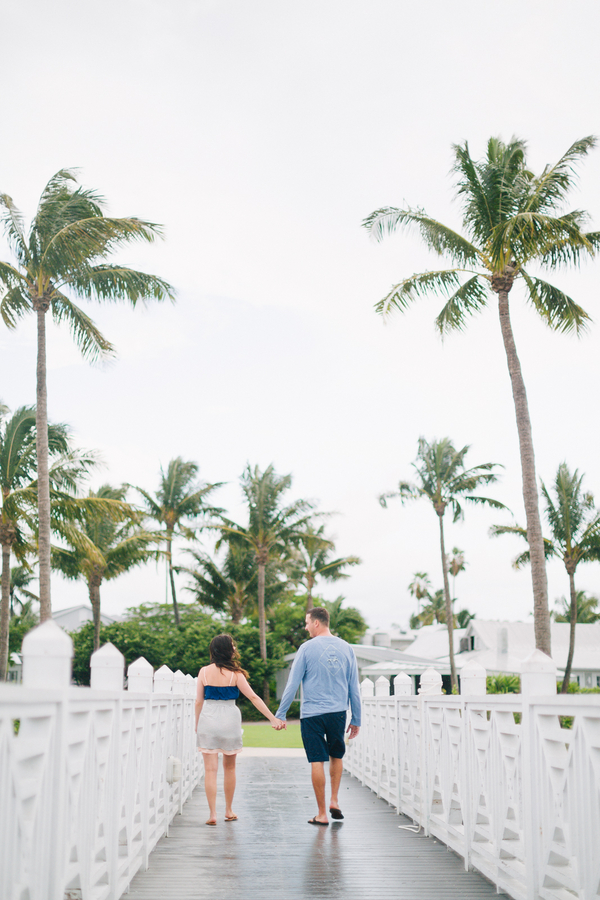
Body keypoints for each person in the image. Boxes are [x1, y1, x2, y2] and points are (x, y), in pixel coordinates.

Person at [274, 607, 361, 826]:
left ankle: (322, 814)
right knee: (336, 756)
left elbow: (292, 683)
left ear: (316, 623)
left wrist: (281, 713)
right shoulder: (347, 648)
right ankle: (334, 800)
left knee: (316, 761)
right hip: (338, 713)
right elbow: (354, 687)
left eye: (306, 622)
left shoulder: (305, 648)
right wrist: (356, 718)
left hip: (312, 714)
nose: (305, 627)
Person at [195, 633, 285, 826]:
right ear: (229, 650)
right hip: (230, 720)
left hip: (208, 720)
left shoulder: (203, 672)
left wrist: (197, 725)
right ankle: (228, 810)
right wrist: (272, 718)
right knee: (230, 767)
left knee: (210, 770)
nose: (235, 649)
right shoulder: (236, 675)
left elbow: (198, 702)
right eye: (233, 646)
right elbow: (253, 698)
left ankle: (212, 814)